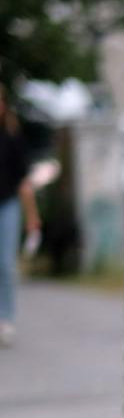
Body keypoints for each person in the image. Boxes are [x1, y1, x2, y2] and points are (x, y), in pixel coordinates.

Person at [0, 86, 40, 349]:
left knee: (5, 264)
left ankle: (5, 318)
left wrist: (32, 216)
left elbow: (24, 183)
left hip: (7, 205)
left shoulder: (11, 138)